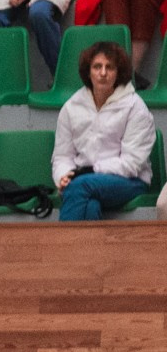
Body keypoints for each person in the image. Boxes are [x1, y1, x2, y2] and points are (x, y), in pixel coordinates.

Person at [52, 41, 155, 221]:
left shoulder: (135, 107)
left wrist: (90, 171)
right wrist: (64, 176)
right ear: (88, 71)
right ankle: (90, 249)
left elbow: (131, 163)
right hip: (85, 182)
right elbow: (62, 156)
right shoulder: (71, 107)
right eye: (97, 67)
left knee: (80, 187)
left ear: (119, 72)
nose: (103, 73)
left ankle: (60, 247)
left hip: (131, 181)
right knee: (90, 206)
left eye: (110, 67)